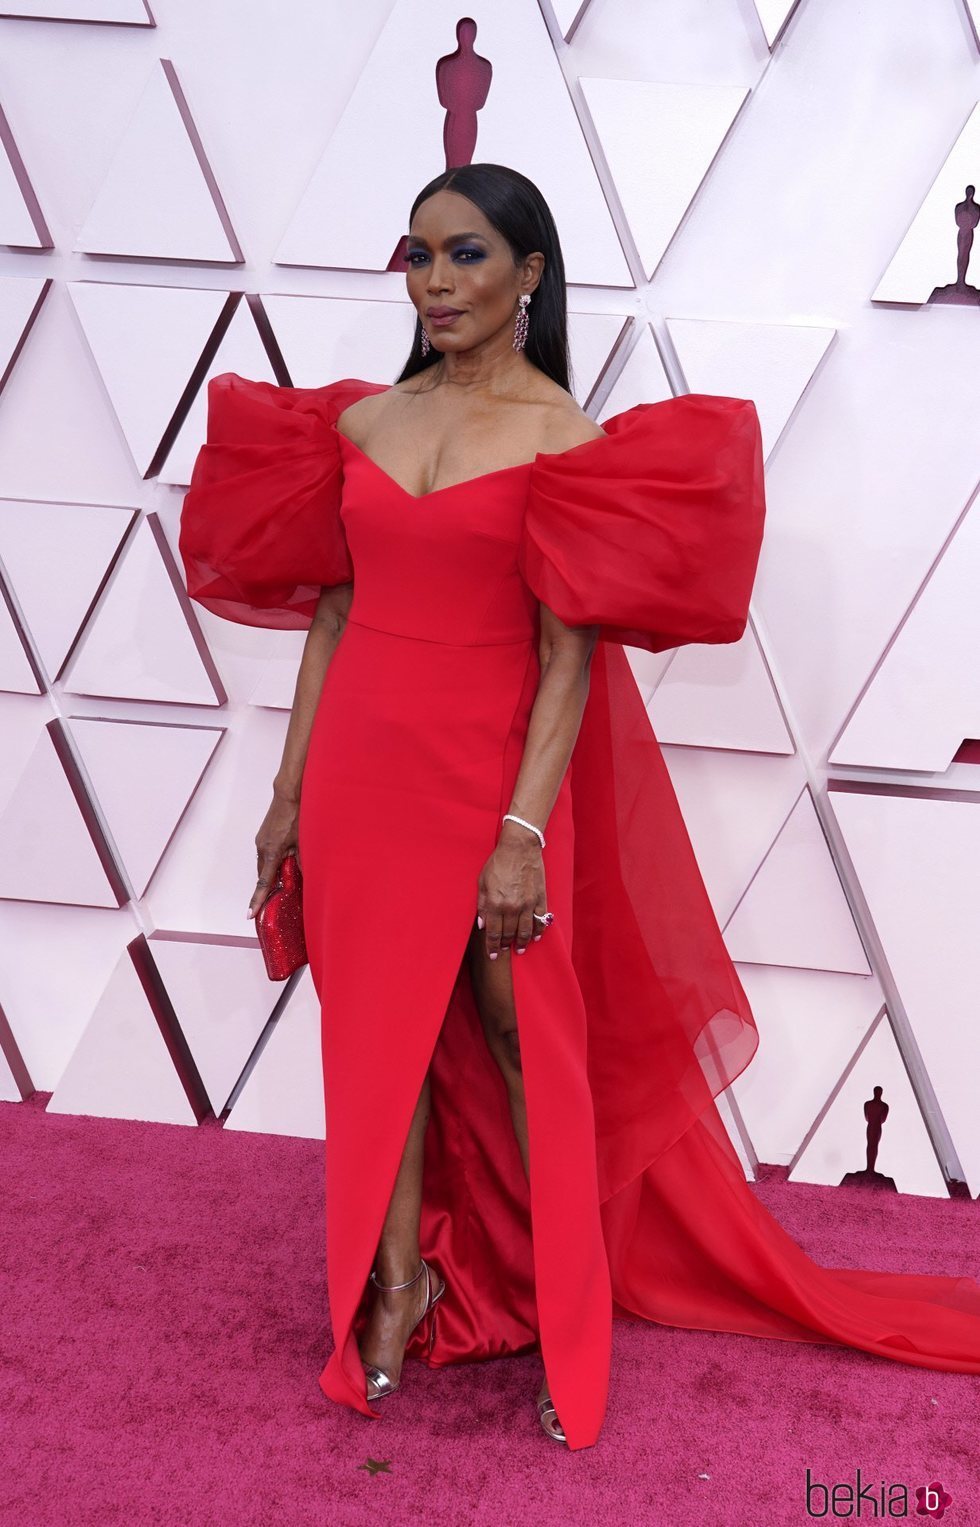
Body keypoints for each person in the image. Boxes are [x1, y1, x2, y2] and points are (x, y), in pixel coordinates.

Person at [178, 163, 980, 1453]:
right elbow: (330, 614)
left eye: (467, 257)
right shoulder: (367, 423)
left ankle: (567, 1307)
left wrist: (521, 835)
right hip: (359, 783)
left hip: (486, 779)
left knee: (520, 1046)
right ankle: (397, 1292)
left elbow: (568, 661)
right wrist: (284, 797)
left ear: (530, 276)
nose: (436, 282)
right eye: (419, 257)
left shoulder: (566, 442)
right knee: (377, 1045)